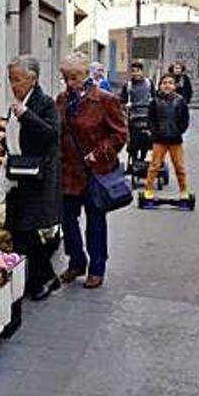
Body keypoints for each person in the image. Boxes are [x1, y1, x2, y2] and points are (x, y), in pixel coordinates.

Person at [57, 53, 128, 289]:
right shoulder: (62, 100)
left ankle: (97, 267)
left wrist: (99, 153)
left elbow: (120, 134)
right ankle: (77, 261)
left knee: (95, 221)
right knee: (67, 220)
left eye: (74, 77)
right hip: (69, 171)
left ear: (86, 74)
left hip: (94, 172)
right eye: (65, 77)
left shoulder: (105, 100)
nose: (69, 83)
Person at [4, 55, 62, 301]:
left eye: (17, 80)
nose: (13, 85)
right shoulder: (19, 102)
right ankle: (30, 279)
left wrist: (26, 114)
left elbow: (51, 134)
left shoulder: (44, 103)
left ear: (32, 79)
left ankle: (43, 278)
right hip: (19, 173)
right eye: (11, 80)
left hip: (36, 176)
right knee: (19, 229)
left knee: (29, 229)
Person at [143, 73, 190, 200]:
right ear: (160, 86)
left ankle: (184, 191)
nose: (167, 85)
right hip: (159, 139)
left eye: (170, 83)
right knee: (154, 166)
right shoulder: (154, 101)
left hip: (175, 139)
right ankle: (148, 189)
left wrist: (179, 131)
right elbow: (150, 120)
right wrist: (155, 132)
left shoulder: (180, 101)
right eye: (164, 83)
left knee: (179, 167)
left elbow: (185, 120)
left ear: (174, 86)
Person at [117, 61, 155, 162]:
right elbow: (122, 100)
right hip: (133, 117)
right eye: (133, 71)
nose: (135, 73)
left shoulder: (149, 83)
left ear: (142, 72)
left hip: (147, 116)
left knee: (146, 139)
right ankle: (134, 159)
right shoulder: (128, 85)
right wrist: (125, 106)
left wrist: (152, 104)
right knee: (133, 140)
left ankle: (142, 157)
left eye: (138, 71)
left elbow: (154, 98)